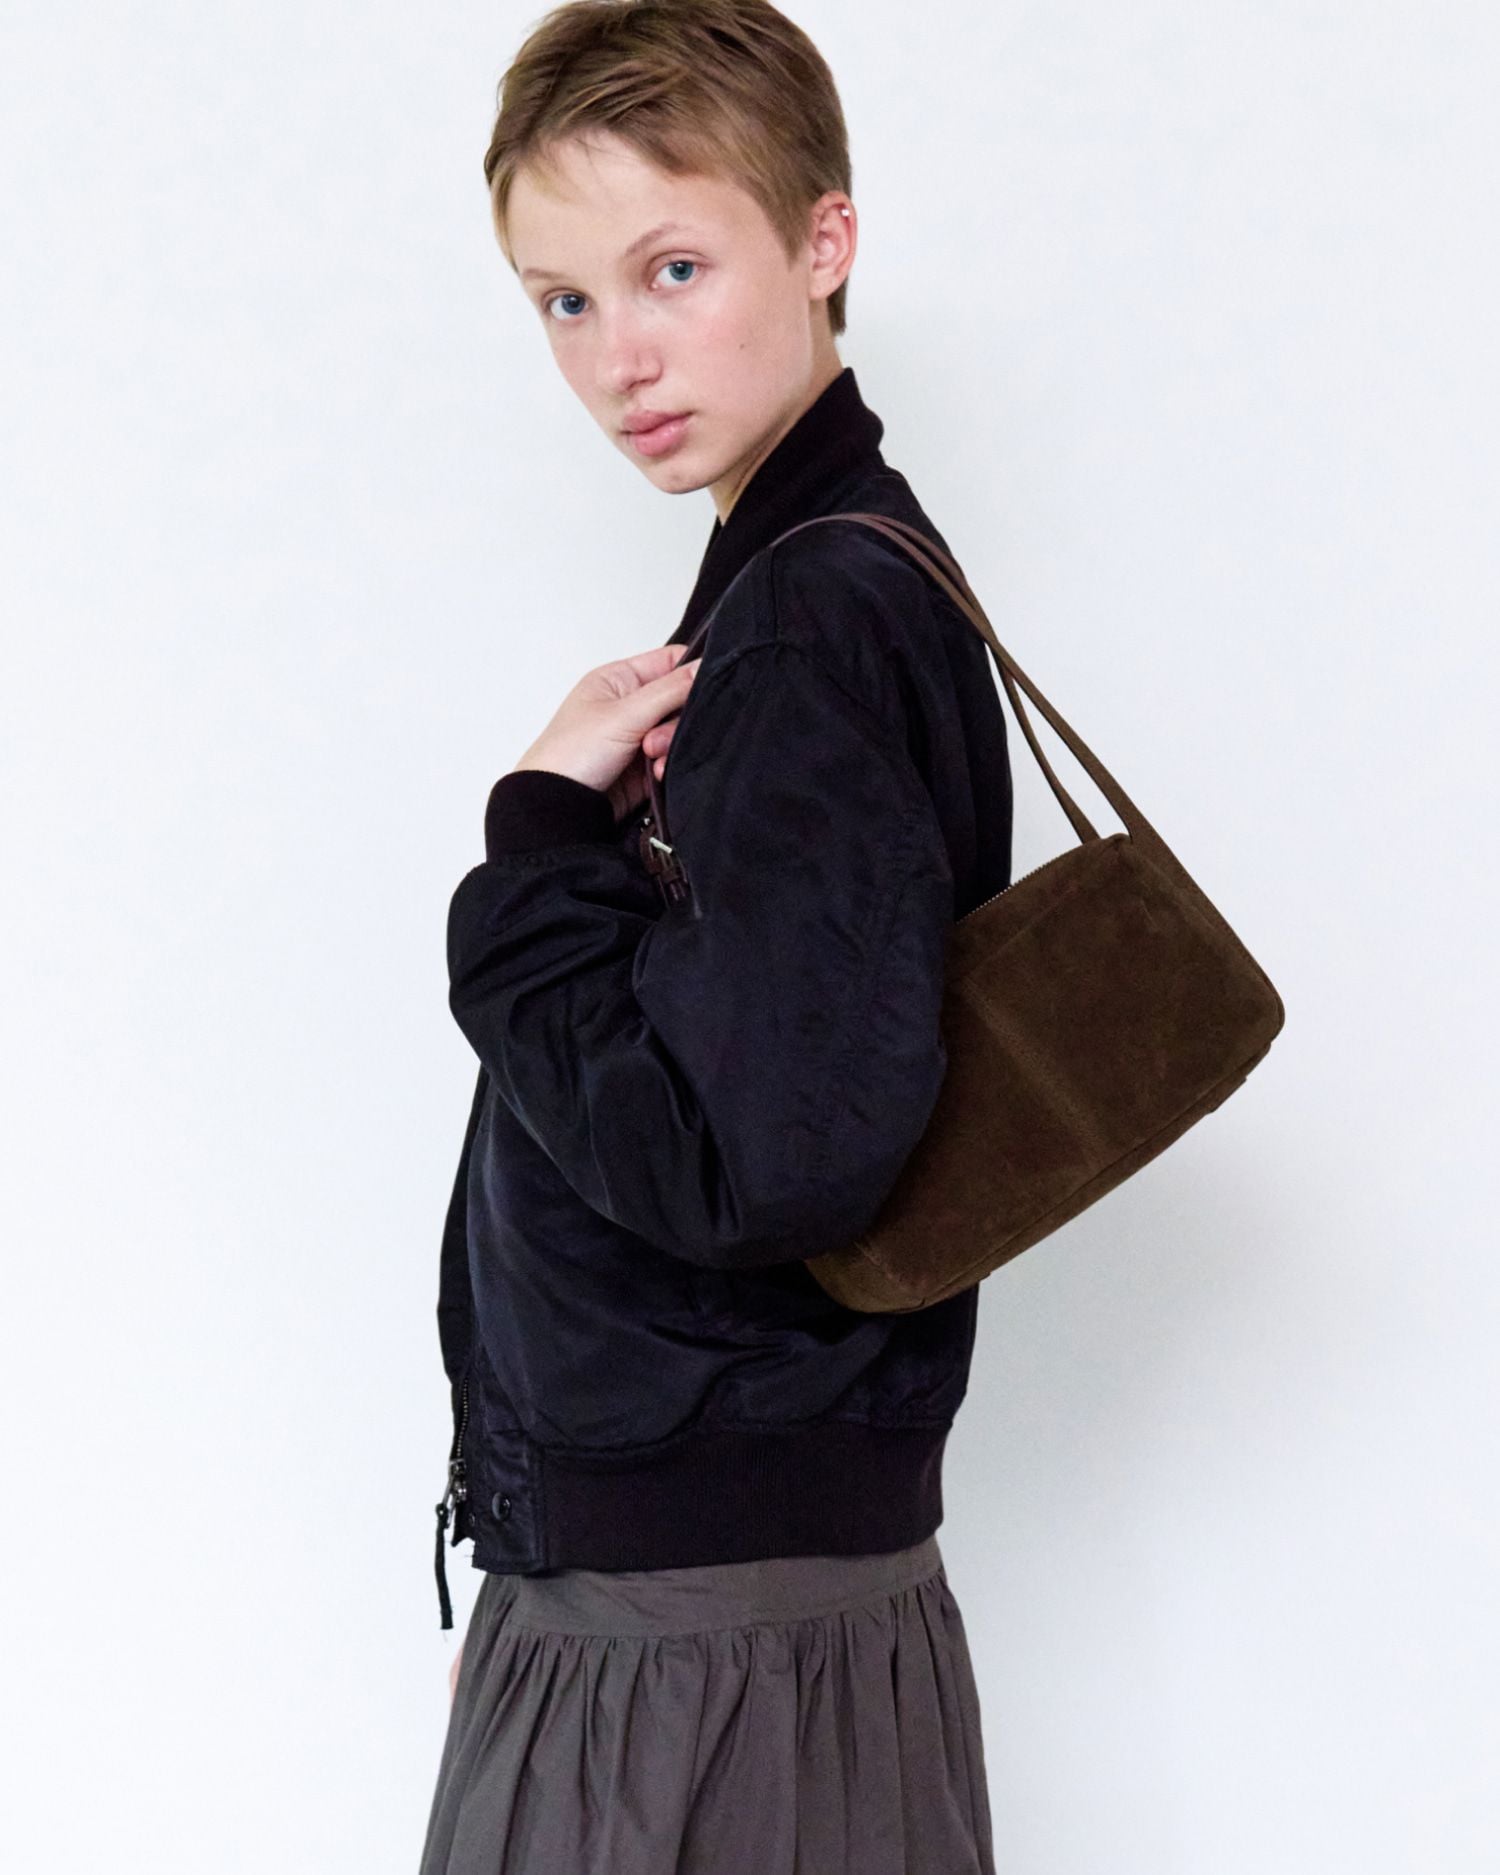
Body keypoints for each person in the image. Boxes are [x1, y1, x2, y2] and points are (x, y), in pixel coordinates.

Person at [419, 3, 1013, 1870]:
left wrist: (533, 856)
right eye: (564, 301)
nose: (619, 357)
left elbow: (761, 1164)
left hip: (701, 1647)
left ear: (825, 241)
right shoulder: (808, 582)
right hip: (723, 1604)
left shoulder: (809, 623)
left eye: (672, 269)